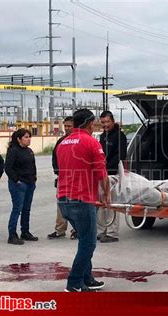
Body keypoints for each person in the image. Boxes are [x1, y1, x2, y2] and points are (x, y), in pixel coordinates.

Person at [56, 108, 110, 292]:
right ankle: (74, 282)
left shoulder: (63, 143)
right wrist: (108, 195)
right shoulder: (91, 142)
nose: (95, 126)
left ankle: (87, 278)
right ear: (89, 123)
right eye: (94, 122)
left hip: (63, 199)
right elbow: (102, 174)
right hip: (81, 199)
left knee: (84, 241)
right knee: (88, 243)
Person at [97, 111, 127, 243]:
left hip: (112, 174)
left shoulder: (120, 136)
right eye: (103, 122)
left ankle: (112, 233)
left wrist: (107, 167)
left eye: (107, 122)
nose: (105, 125)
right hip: (102, 174)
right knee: (102, 203)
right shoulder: (102, 136)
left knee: (111, 203)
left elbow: (121, 155)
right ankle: (101, 230)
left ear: (113, 121)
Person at [5, 128, 38, 245]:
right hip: (18, 184)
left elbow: (33, 166)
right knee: (17, 209)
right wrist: (17, 180)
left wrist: (34, 179)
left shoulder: (29, 151)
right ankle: (12, 234)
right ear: (19, 139)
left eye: (29, 137)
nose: (28, 139)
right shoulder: (13, 151)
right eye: (26, 137)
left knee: (26, 209)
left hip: (30, 183)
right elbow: (8, 168)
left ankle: (25, 231)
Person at [48, 116, 77, 240]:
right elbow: (54, 157)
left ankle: (77, 229)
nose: (67, 129)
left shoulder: (78, 140)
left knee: (76, 204)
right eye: (65, 126)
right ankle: (60, 229)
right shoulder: (61, 141)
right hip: (63, 178)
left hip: (77, 178)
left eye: (69, 126)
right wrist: (57, 171)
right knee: (61, 204)